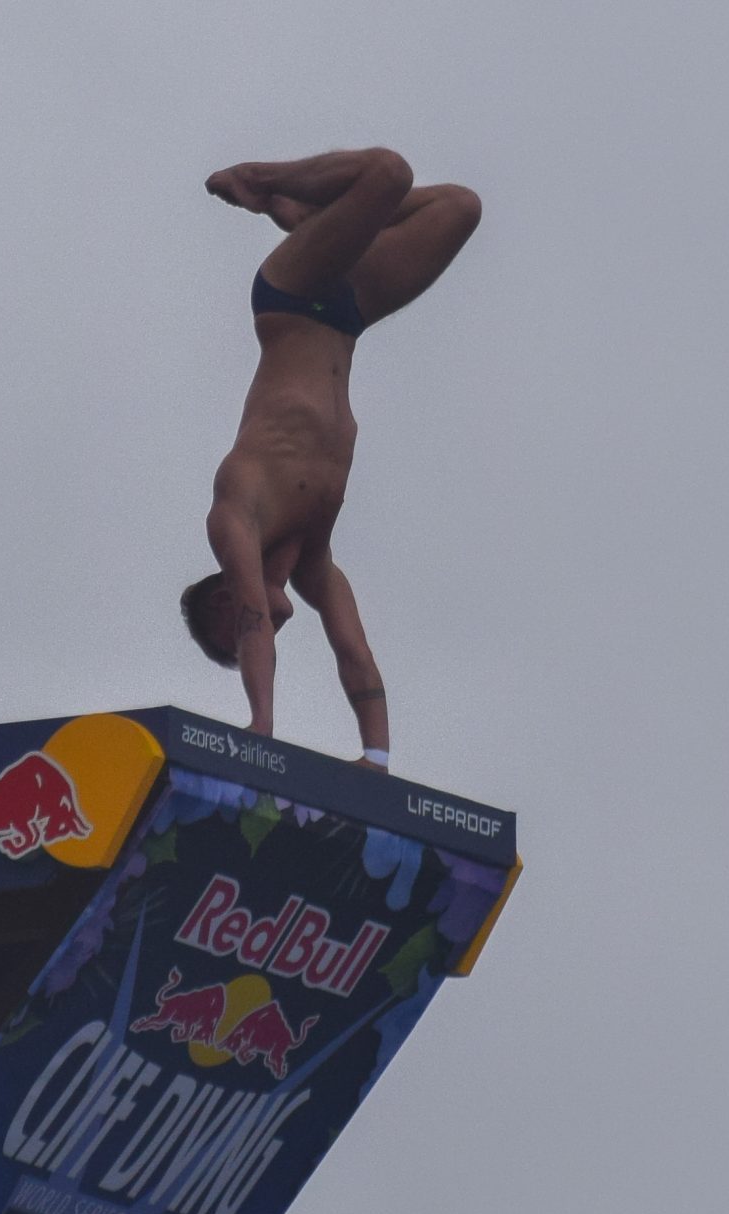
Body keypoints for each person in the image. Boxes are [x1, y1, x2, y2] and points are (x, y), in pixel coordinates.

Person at [182, 148, 480, 769]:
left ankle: (264, 181)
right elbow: (354, 649)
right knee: (460, 207)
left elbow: (256, 622)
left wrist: (260, 728)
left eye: (230, 636)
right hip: (349, 314)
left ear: (222, 602)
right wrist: (376, 758)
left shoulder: (235, 514)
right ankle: (319, 218)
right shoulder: (314, 561)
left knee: (390, 174)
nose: (254, 632)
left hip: (291, 297)